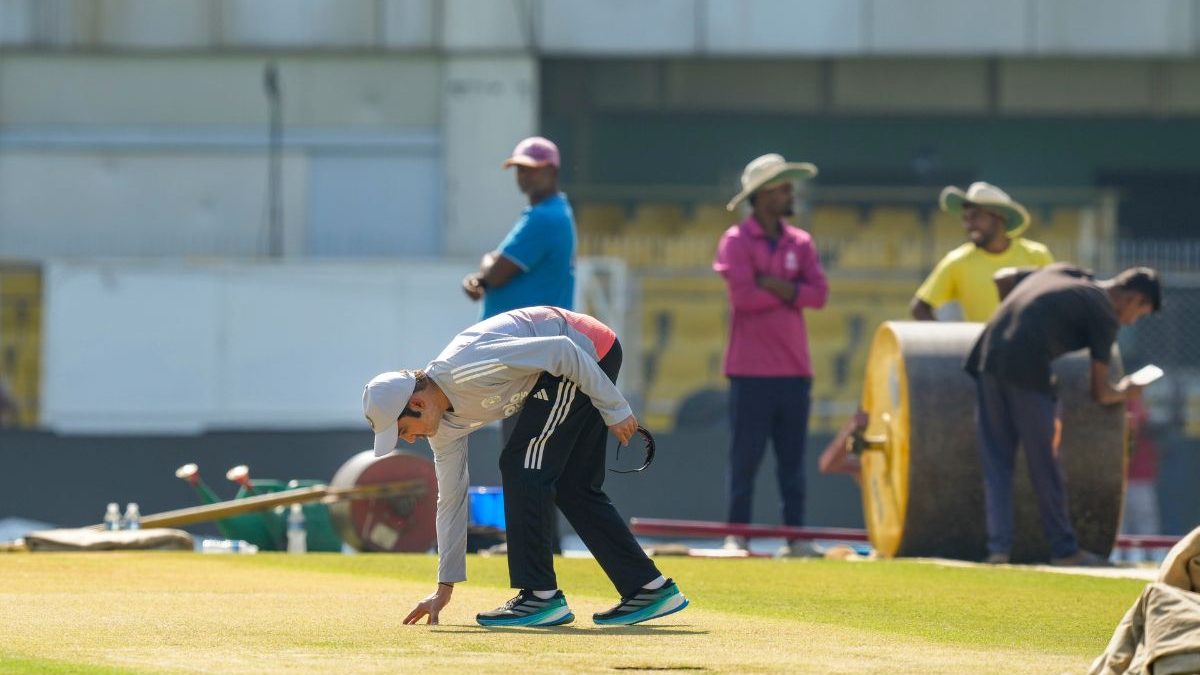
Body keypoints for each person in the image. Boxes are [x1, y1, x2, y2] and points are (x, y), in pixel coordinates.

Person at [363, 306, 687, 627]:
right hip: (572, 360)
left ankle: (539, 597)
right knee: (572, 486)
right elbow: (451, 500)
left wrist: (615, 408)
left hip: (583, 349)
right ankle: (649, 588)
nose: (408, 440)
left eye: (403, 430)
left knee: (521, 465)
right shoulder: (442, 429)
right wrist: (444, 588)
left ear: (418, 403)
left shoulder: (463, 370)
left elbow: (562, 350)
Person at [965, 263, 1162, 566]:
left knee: (997, 463)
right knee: (1045, 463)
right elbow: (1101, 391)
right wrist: (1128, 390)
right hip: (1027, 365)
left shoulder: (1067, 272)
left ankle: (998, 551)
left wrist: (1019, 320)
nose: (1133, 321)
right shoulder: (1104, 313)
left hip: (988, 355)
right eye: (1140, 313)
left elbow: (1002, 277)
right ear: (1132, 298)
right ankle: (1064, 550)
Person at [714, 153, 829, 557]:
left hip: (794, 369)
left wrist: (777, 286)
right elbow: (743, 298)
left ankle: (796, 538)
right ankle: (737, 536)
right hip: (749, 370)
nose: (789, 193)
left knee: (792, 463)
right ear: (762, 196)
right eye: (782, 187)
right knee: (745, 460)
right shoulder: (736, 240)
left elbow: (820, 295)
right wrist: (792, 291)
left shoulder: (801, 241)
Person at [911, 182, 1054, 322]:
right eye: (965, 218)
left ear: (999, 217)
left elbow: (1055, 302)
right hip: (984, 346)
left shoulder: (1037, 255)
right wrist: (944, 340)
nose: (968, 225)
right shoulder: (957, 261)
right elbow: (920, 307)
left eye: (975, 217)